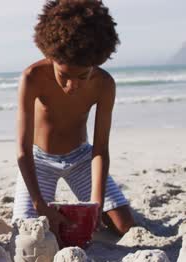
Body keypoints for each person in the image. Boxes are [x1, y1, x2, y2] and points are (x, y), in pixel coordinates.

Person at [12, 0, 134, 241]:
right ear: (49, 55)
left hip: (81, 158)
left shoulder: (104, 85)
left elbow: (100, 150)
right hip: (39, 160)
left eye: (82, 75)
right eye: (64, 76)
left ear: (96, 63)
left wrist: (96, 202)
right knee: (27, 233)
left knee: (125, 227)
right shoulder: (32, 77)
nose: (72, 86)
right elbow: (23, 150)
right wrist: (38, 203)